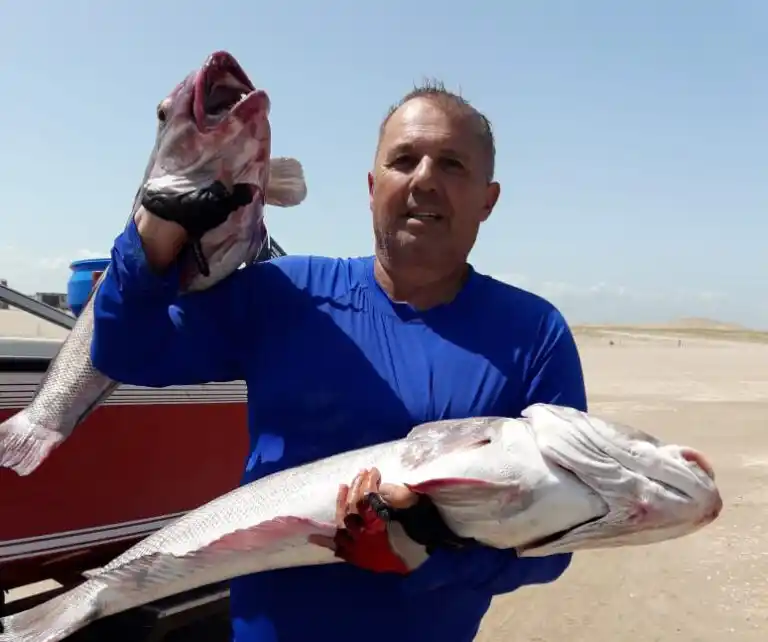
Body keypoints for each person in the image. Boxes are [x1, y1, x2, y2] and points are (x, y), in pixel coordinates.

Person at [91, 80, 588, 642]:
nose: (424, 178)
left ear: (488, 200)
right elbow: (126, 352)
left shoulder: (534, 333)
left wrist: (428, 554)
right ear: (372, 187)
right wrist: (154, 228)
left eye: (451, 164)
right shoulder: (286, 292)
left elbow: (556, 543)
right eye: (404, 160)